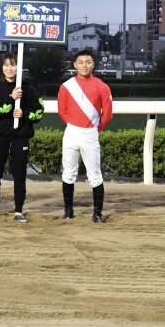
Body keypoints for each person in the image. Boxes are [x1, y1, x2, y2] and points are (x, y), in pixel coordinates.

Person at [0, 52, 44, 222]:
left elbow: (39, 113)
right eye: (6, 65)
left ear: (19, 67)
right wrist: (11, 99)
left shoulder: (29, 88)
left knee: (19, 175)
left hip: (20, 137)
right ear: (1, 67)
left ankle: (18, 210)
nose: (9, 68)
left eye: (13, 65)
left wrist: (24, 114)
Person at [57, 49, 113, 222]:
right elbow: (62, 112)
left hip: (90, 133)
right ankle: (68, 211)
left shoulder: (102, 86)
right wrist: (75, 125)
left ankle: (97, 213)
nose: (84, 65)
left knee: (95, 175)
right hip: (71, 132)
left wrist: (94, 130)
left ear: (93, 64)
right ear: (75, 65)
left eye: (88, 62)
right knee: (68, 173)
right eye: (80, 62)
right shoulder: (66, 86)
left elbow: (108, 114)